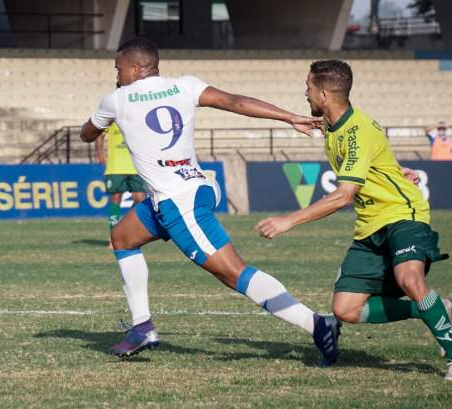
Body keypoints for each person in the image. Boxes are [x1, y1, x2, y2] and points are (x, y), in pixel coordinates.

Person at [79, 37, 340, 365]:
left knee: (235, 274)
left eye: (118, 69)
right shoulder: (185, 85)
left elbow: (87, 134)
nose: (116, 75)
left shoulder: (117, 99)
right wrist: (289, 117)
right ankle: (141, 326)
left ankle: (317, 324)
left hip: (178, 203)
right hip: (190, 189)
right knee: (122, 237)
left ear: (134, 67)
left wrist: (96, 123)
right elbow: (235, 101)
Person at [255, 59, 452, 381]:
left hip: (403, 214)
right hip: (370, 224)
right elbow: (375, 155)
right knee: (345, 309)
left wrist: (287, 221)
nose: (304, 93)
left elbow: (344, 195)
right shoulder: (334, 126)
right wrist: (395, 168)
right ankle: (440, 308)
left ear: (322, 94)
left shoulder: (356, 129)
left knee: (410, 281)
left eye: (308, 88)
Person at [95, 117, 146, 248]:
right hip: (115, 166)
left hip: (136, 165)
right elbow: (99, 134)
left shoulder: (137, 117)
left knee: (140, 200)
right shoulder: (112, 116)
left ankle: (123, 229)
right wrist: (100, 153)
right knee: (116, 199)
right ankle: (113, 238)